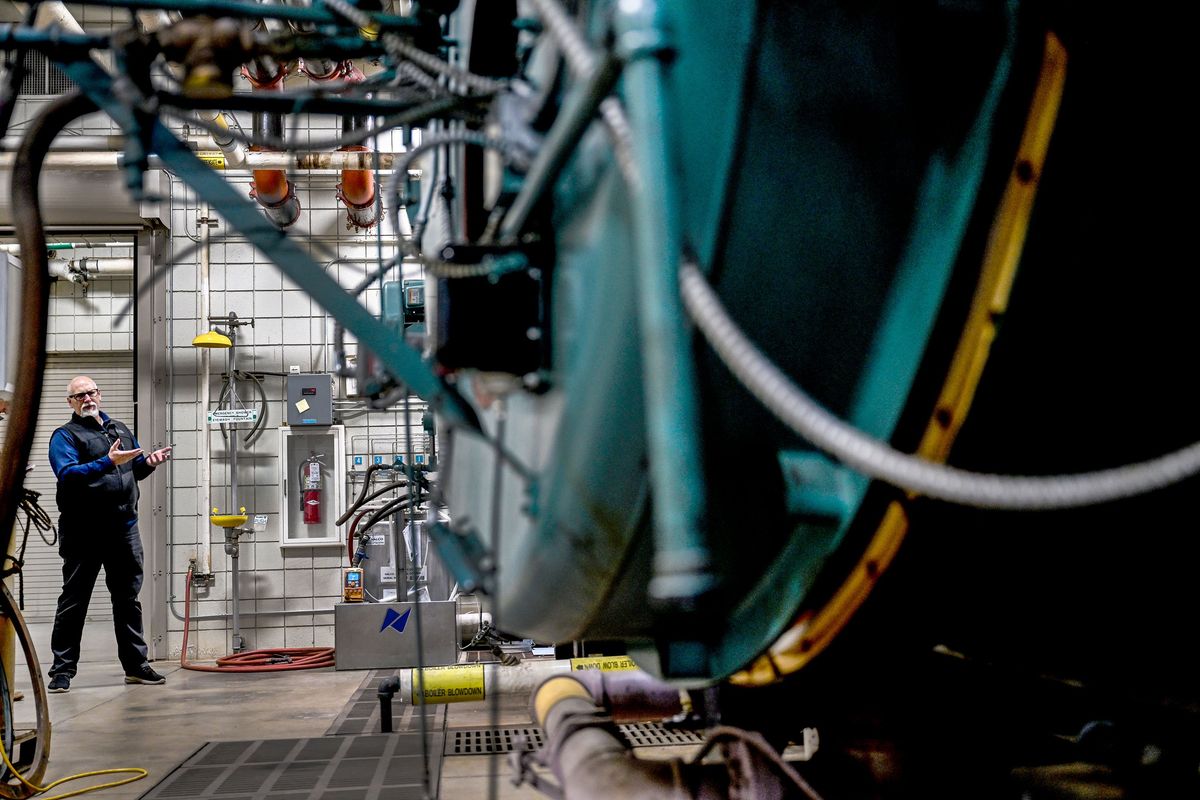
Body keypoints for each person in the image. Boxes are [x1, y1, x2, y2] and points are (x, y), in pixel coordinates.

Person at [45, 376, 172, 693]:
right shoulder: (65, 436)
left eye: (91, 392)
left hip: (124, 529)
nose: (87, 398)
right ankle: (62, 671)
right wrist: (107, 461)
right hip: (83, 531)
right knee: (75, 601)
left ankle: (135, 666)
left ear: (99, 395)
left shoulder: (119, 429)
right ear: (70, 402)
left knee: (128, 600)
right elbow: (68, 475)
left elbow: (133, 469)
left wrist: (149, 463)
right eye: (79, 395)